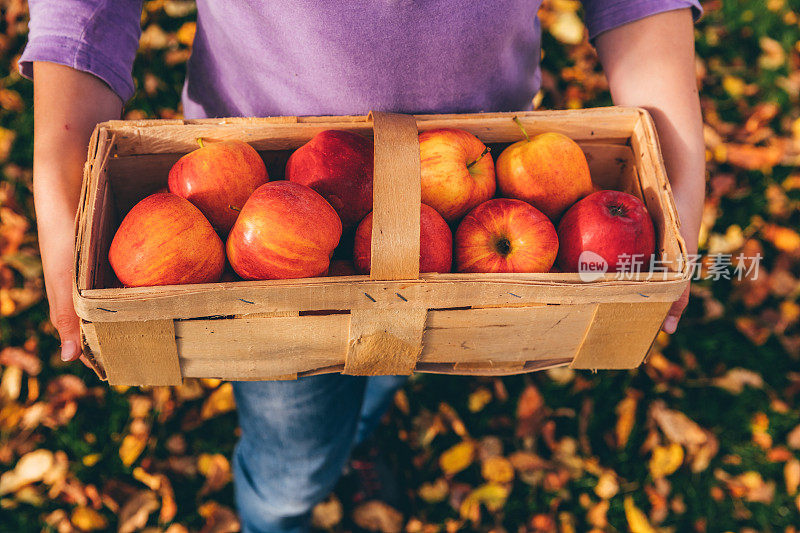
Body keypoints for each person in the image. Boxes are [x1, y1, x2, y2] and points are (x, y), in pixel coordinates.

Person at [21, 1, 705, 531]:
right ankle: (277, 511)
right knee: (293, 450)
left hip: (487, 186)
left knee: (402, 361)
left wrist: (681, 153)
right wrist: (59, 160)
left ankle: (365, 419)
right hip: (257, 193)